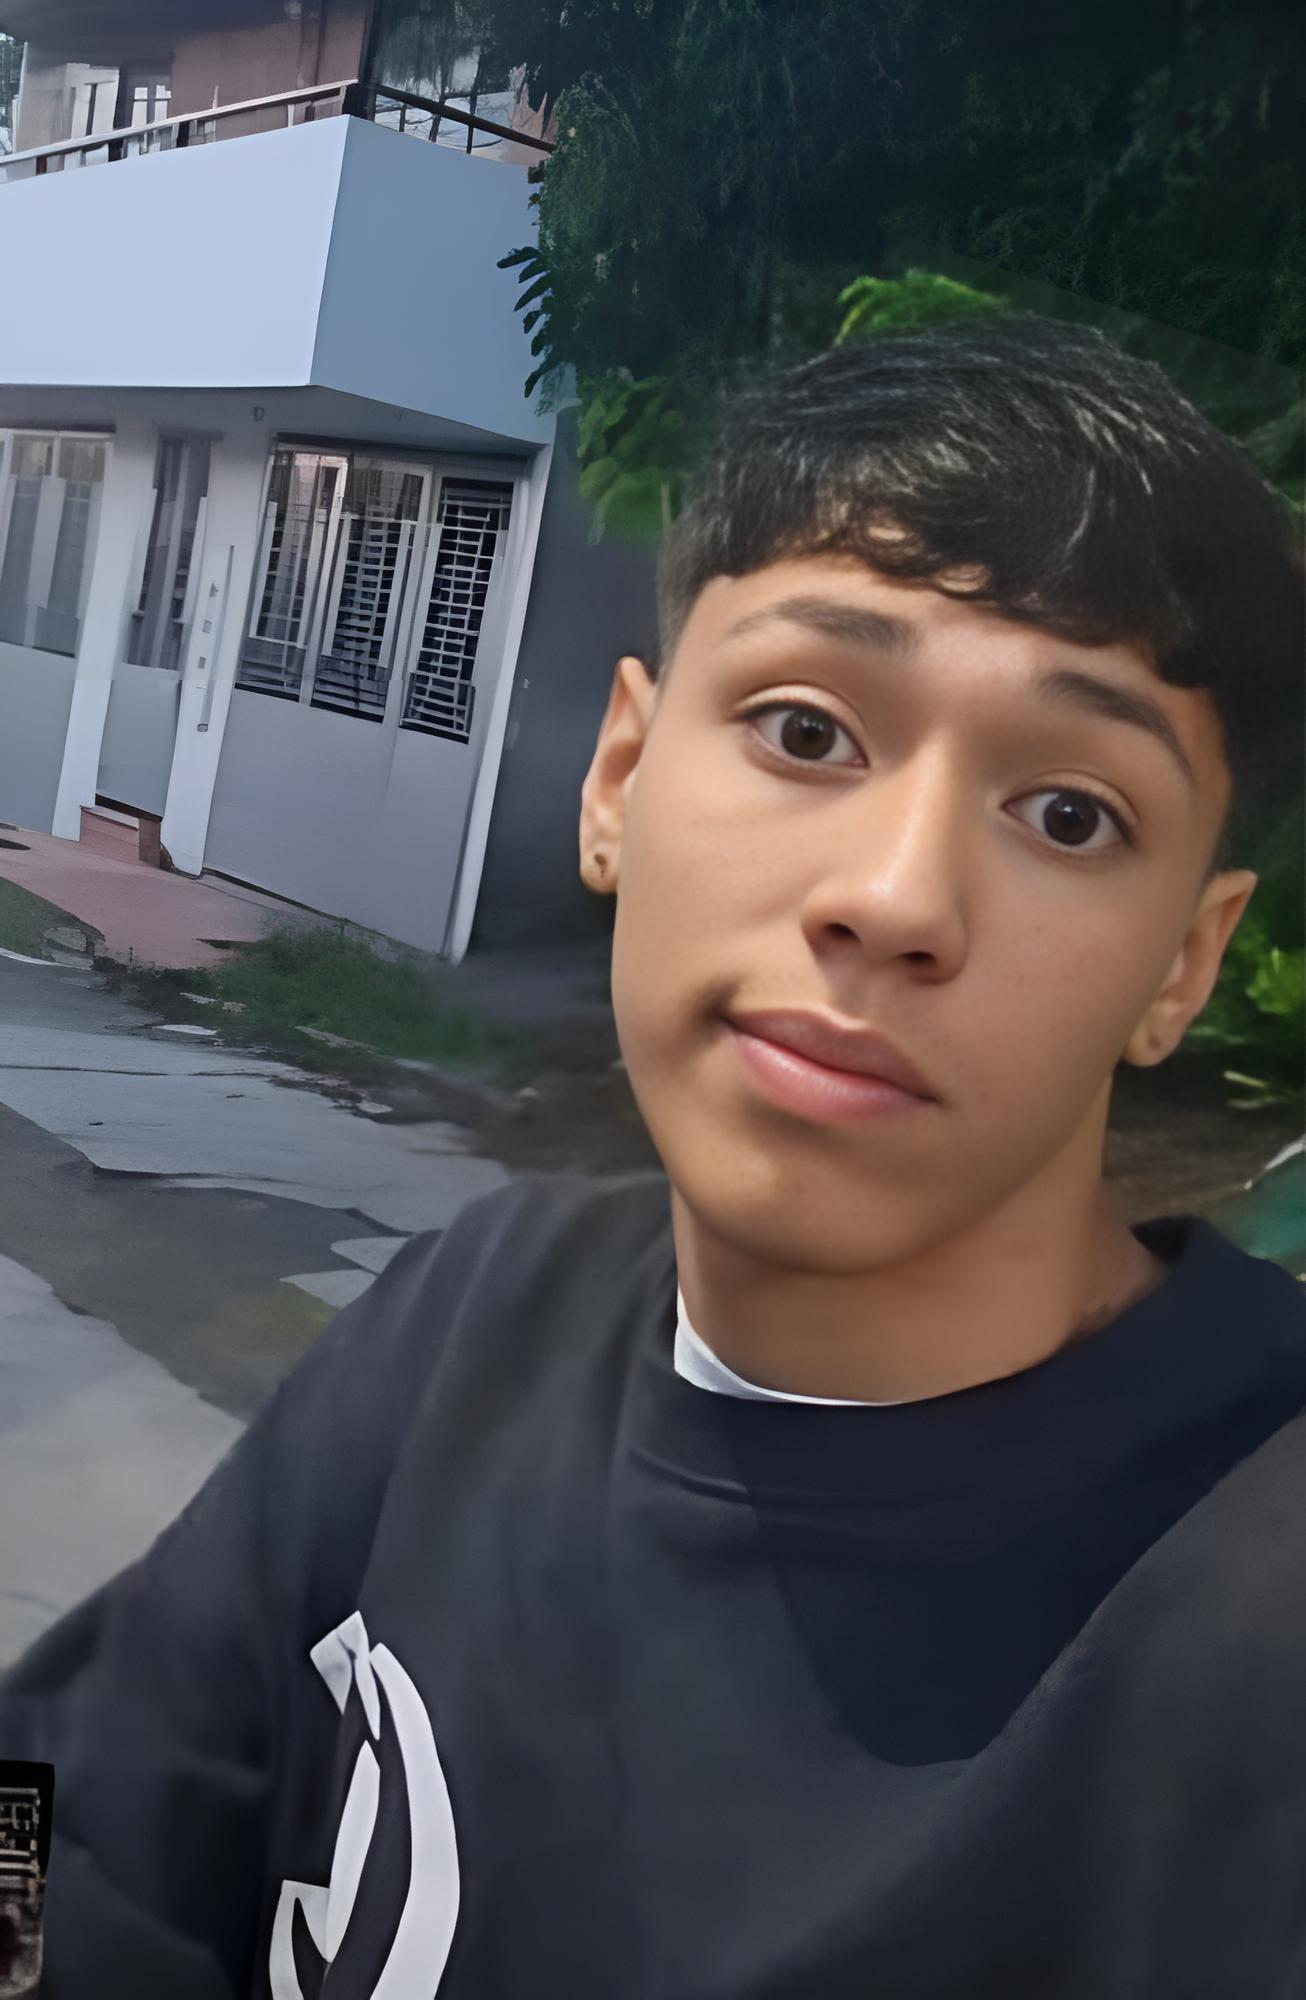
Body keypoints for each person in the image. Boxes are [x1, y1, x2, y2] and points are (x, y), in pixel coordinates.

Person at [2, 314, 1304, 1999]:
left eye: (1070, 814)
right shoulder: (476, 1315)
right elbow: (68, 1805)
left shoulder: (1249, 1610)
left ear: (1182, 966)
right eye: (806, 731)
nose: (895, 898)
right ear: (618, 777)